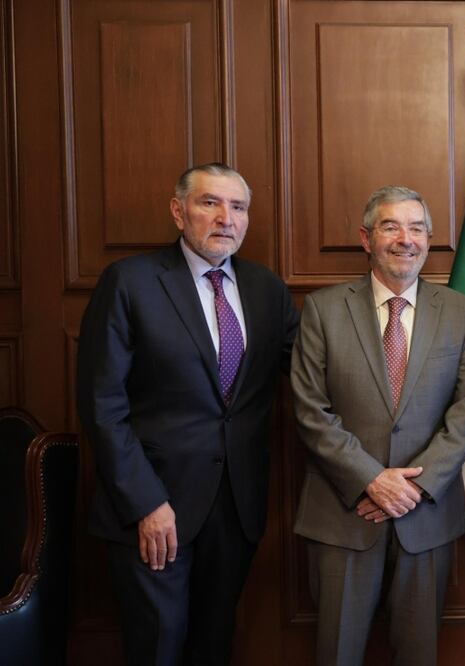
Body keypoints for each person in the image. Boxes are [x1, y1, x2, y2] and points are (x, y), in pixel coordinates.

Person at [77, 162, 299, 664]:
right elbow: (101, 405)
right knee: (158, 646)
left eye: (238, 207)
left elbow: (311, 378)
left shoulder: (267, 290)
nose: (226, 218)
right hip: (155, 509)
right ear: (179, 212)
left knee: (213, 644)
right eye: (209, 203)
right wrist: (145, 503)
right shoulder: (130, 283)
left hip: (236, 507)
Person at [290, 186, 465, 666]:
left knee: (419, 655)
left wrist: (411, 490)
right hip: (344, 513)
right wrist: (371, 480)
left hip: (425, 518)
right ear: (366, 237)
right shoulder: (323, 309)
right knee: (336, 654)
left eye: (417, 228)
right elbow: (309, 408)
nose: (406, 239)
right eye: (391, 226)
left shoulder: (461, 313)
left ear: (429, 238)